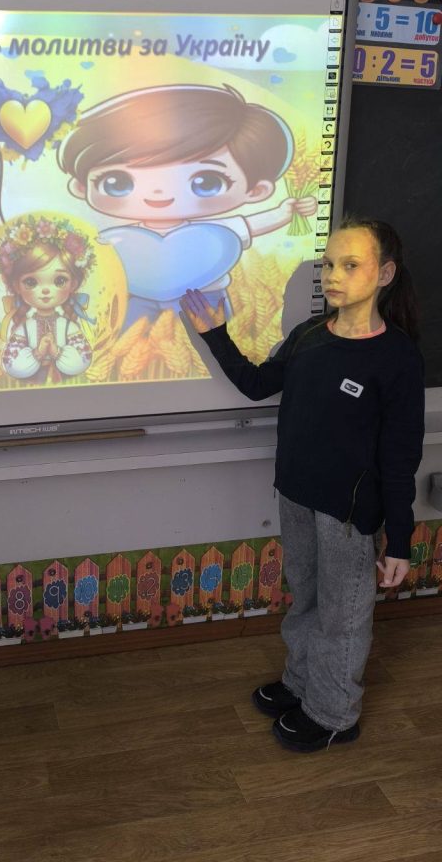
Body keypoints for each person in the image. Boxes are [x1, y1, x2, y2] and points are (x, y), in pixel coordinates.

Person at [180, 218, 425, 752]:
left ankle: (335, 713)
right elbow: (256, 385)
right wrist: (214, 333)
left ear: (385, 274)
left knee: (343, 616)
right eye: (329, 264)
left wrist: (400, 541)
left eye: (350, 265)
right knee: (306, 598)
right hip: (295, 495)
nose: (333, 276)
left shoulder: (397, 357)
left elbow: (400, 456)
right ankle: (301, 682)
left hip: (348, 515)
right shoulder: (309, 336)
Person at [58, 84, 316, 330]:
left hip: (203, 298)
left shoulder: (215, 235)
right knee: (128, 340)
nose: (159, 193)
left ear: (256, 190)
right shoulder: (116, 239)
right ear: (81, 187)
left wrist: (284, 212)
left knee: (208, 348)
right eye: (117, 182)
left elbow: (250, 225)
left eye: (206, 182)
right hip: (134, 298)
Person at [0, 216, 94, 383]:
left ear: (73, 284)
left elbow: (83, 359)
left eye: (59, 281)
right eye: (31, 282)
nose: (46, 290)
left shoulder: (67, 326)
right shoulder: (25, 327)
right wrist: (38, 353)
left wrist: (57, 352)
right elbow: (11, 363)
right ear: (17, 286)